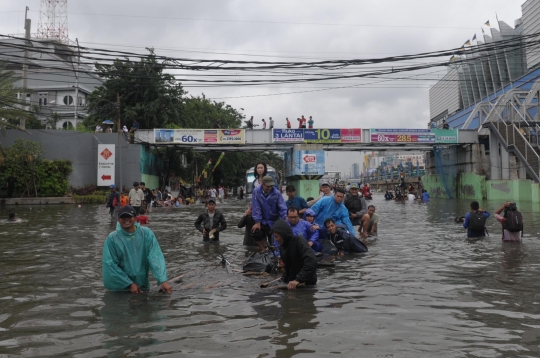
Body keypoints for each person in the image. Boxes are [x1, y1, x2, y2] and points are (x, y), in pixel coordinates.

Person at [102, 206, 172, 293]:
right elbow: (110, 265)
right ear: (118, 219)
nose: (126, 219)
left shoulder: (146, 234)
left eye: (129, 216)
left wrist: (162, 280)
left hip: (142, 287)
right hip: (120, 289)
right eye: (123, 217)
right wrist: (129, 283)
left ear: (135, 218)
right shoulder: (112, 239)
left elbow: (155, 257)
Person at [272, 219, 317, 290]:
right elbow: (287, 267)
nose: (275, 239)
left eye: (276, 237)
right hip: (291, 285)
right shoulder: (282, 247)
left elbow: (312, 260)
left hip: (306, 285)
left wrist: (298, 279)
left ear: (283, 235)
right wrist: (282, 280)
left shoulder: (299, 241)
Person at [251, 175, 287, 253]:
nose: (270, 188)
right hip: (263, 220)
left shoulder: (277, 193)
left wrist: (285, 218)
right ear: (263, 184)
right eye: (268, 186)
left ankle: (274, 252)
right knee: (255, 232)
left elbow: (282, 207)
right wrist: (257, 221)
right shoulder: (256, 191)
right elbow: (256, 206)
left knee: (274, 240)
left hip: (274, 220)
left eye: (271, 186)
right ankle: (263, 249)